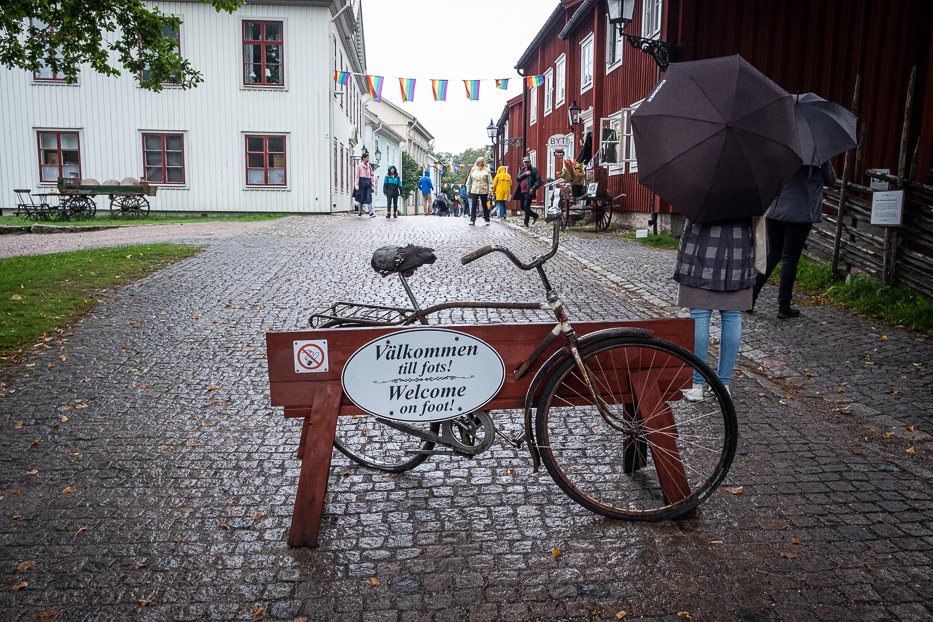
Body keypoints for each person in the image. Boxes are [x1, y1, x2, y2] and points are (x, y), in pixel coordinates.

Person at [673, 217, 756, 399]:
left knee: (699, 314)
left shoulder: (700, 187)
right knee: (732, 315)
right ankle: (723, 386)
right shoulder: (749, 189)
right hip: (738, 243)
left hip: (701, 242)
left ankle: (696, 385)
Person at [752, 162, 837, 318]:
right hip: (800, 213)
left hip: (776, 209)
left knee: (773, 254)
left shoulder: (784, 147)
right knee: (790, 259)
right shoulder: (817, 153)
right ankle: (784, 306)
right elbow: (831, 180)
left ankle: (751, 297)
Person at [465, 157, 493, 226]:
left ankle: (487, 219)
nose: (483, 163)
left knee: (484, 205)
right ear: (478, 162)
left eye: (484, 161)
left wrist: (490, 190)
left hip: (483, 189)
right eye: (482, 161)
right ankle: (472, 219)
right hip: (474, 189)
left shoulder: (486, 170)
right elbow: (469, 181)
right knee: (474, 205)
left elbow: (490, 181)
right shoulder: (473, 170)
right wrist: (468, 190)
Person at [515, 156, 542, 227]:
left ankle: (525, 223)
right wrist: (525, 174)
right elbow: (517, 178)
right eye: (525, 162)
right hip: (522, 191)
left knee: (526, 207)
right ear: (523, 163)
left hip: (529, 191)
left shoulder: (534, 170)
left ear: (530, 162)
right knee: (522, 207)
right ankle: (535, 215)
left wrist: (533, 188)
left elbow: (539, 180)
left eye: (527, 162)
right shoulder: (522, 170)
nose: (526, 164)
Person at [354, 153, 375, 218]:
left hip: (368, 182)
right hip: (361, 182)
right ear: (363, 158)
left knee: (369, 197)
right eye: (367, 158)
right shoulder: (359, 166)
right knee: (361, 197)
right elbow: (357, 176)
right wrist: (356, 185)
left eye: (368, 158)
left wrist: (372, 185)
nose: (368, 159)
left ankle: (370, 212)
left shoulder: (369, 166)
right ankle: (360, 211)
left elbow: (372, 175)